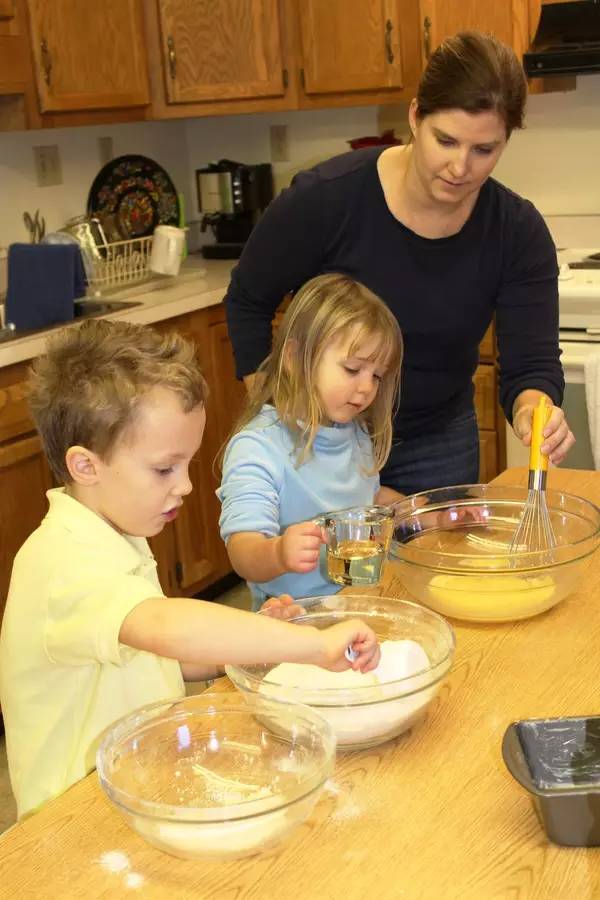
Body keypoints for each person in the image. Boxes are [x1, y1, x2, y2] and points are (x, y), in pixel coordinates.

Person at [0, 319, 380, 820]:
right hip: (73, 817)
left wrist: (251, 643)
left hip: (138, 780)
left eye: (186, 465)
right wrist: (312, 646)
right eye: (164, 468)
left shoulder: (116, 534)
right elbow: (166, 628)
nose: (185, 486)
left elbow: (154, 657)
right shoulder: (64, 561)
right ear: (86, 466)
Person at [223, 31, 575, 498]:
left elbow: (531, 364)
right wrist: (281, 417)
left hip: (438, 439)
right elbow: (248, 300)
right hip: (323, 440)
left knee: (438, 548)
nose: (460, 167)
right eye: (445, 140)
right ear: (415, 116)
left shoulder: (517, 231)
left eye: (483, 150)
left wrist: (533, 411)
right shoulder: (325, 200)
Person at [218, 273, 403, 607]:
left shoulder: (355, 430)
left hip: (359, 601)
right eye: (352, 369)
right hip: (293, 618)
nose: (366, 388)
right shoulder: (258, 447)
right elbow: (242, 550)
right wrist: (278, 552)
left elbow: (368, 499)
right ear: (293, 357)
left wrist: (422, 513)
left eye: (376, 376)